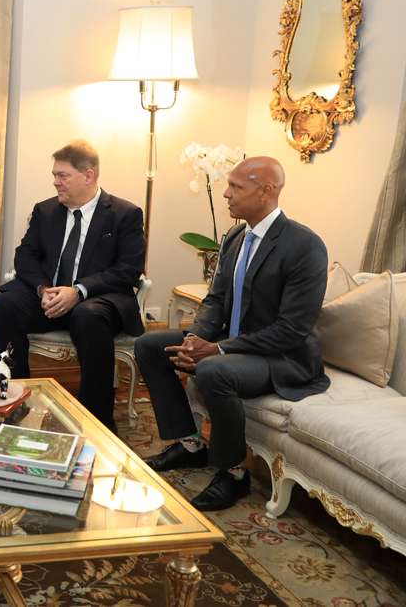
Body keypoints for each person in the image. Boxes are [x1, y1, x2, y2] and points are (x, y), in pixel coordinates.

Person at [135, 156, 329, 511]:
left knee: (213, 370)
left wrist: (218, 349)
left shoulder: (305, 245)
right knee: (149, 345)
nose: (226, 194)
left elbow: (291, 330)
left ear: (266, 191)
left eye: (236, 187)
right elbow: (216, 299)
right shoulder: (237, 236)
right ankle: (191, 444)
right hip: (234, 344)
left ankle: (234, 472)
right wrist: (194, 339)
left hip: (281, 357)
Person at [0, 140, 146, 431]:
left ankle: (97, 420)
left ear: (88, 175)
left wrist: (79, 291)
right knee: (5, 305)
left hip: (97, 301)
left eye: (63, 175)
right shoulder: (46, 211)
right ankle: (14, 401)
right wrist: (42, 289)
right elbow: (25, 256)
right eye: (54, 175)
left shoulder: (125, 214)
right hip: (49, 297)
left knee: (88, 315)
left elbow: (128, 269)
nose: (56, 182)